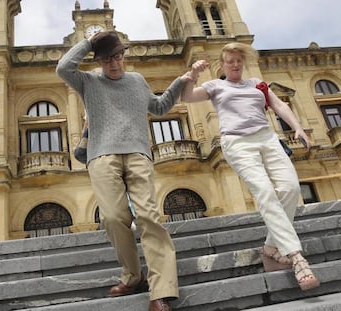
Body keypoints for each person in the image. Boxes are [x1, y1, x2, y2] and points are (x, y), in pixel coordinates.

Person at [56, 31, 193, 311]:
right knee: (113, 217)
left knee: (149, 217)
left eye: (118, 57)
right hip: (102, 156)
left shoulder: (137, 80)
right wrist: (88, 43)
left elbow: (159, 108)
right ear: (100, 61)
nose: (114, 64)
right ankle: (133, 277)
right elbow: (62, 68)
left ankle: (161, 292)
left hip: (138, 153)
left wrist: (180, 82)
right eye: (107, 60)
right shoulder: (88, 81)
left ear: (123, 56)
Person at [181, 42, 320, 291]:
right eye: (230, 60)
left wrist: (297, 126)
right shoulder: (216, 85)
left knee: (290, 188)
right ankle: (297, 257)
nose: (235, 64)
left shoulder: (257, 83)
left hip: (267, 138)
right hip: (237, 143)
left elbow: (279, 105)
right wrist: (192, 75)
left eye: (238, 60)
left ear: (242, 62)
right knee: (265, 192)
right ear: (222, 64)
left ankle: (270, 247)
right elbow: (187, 97)